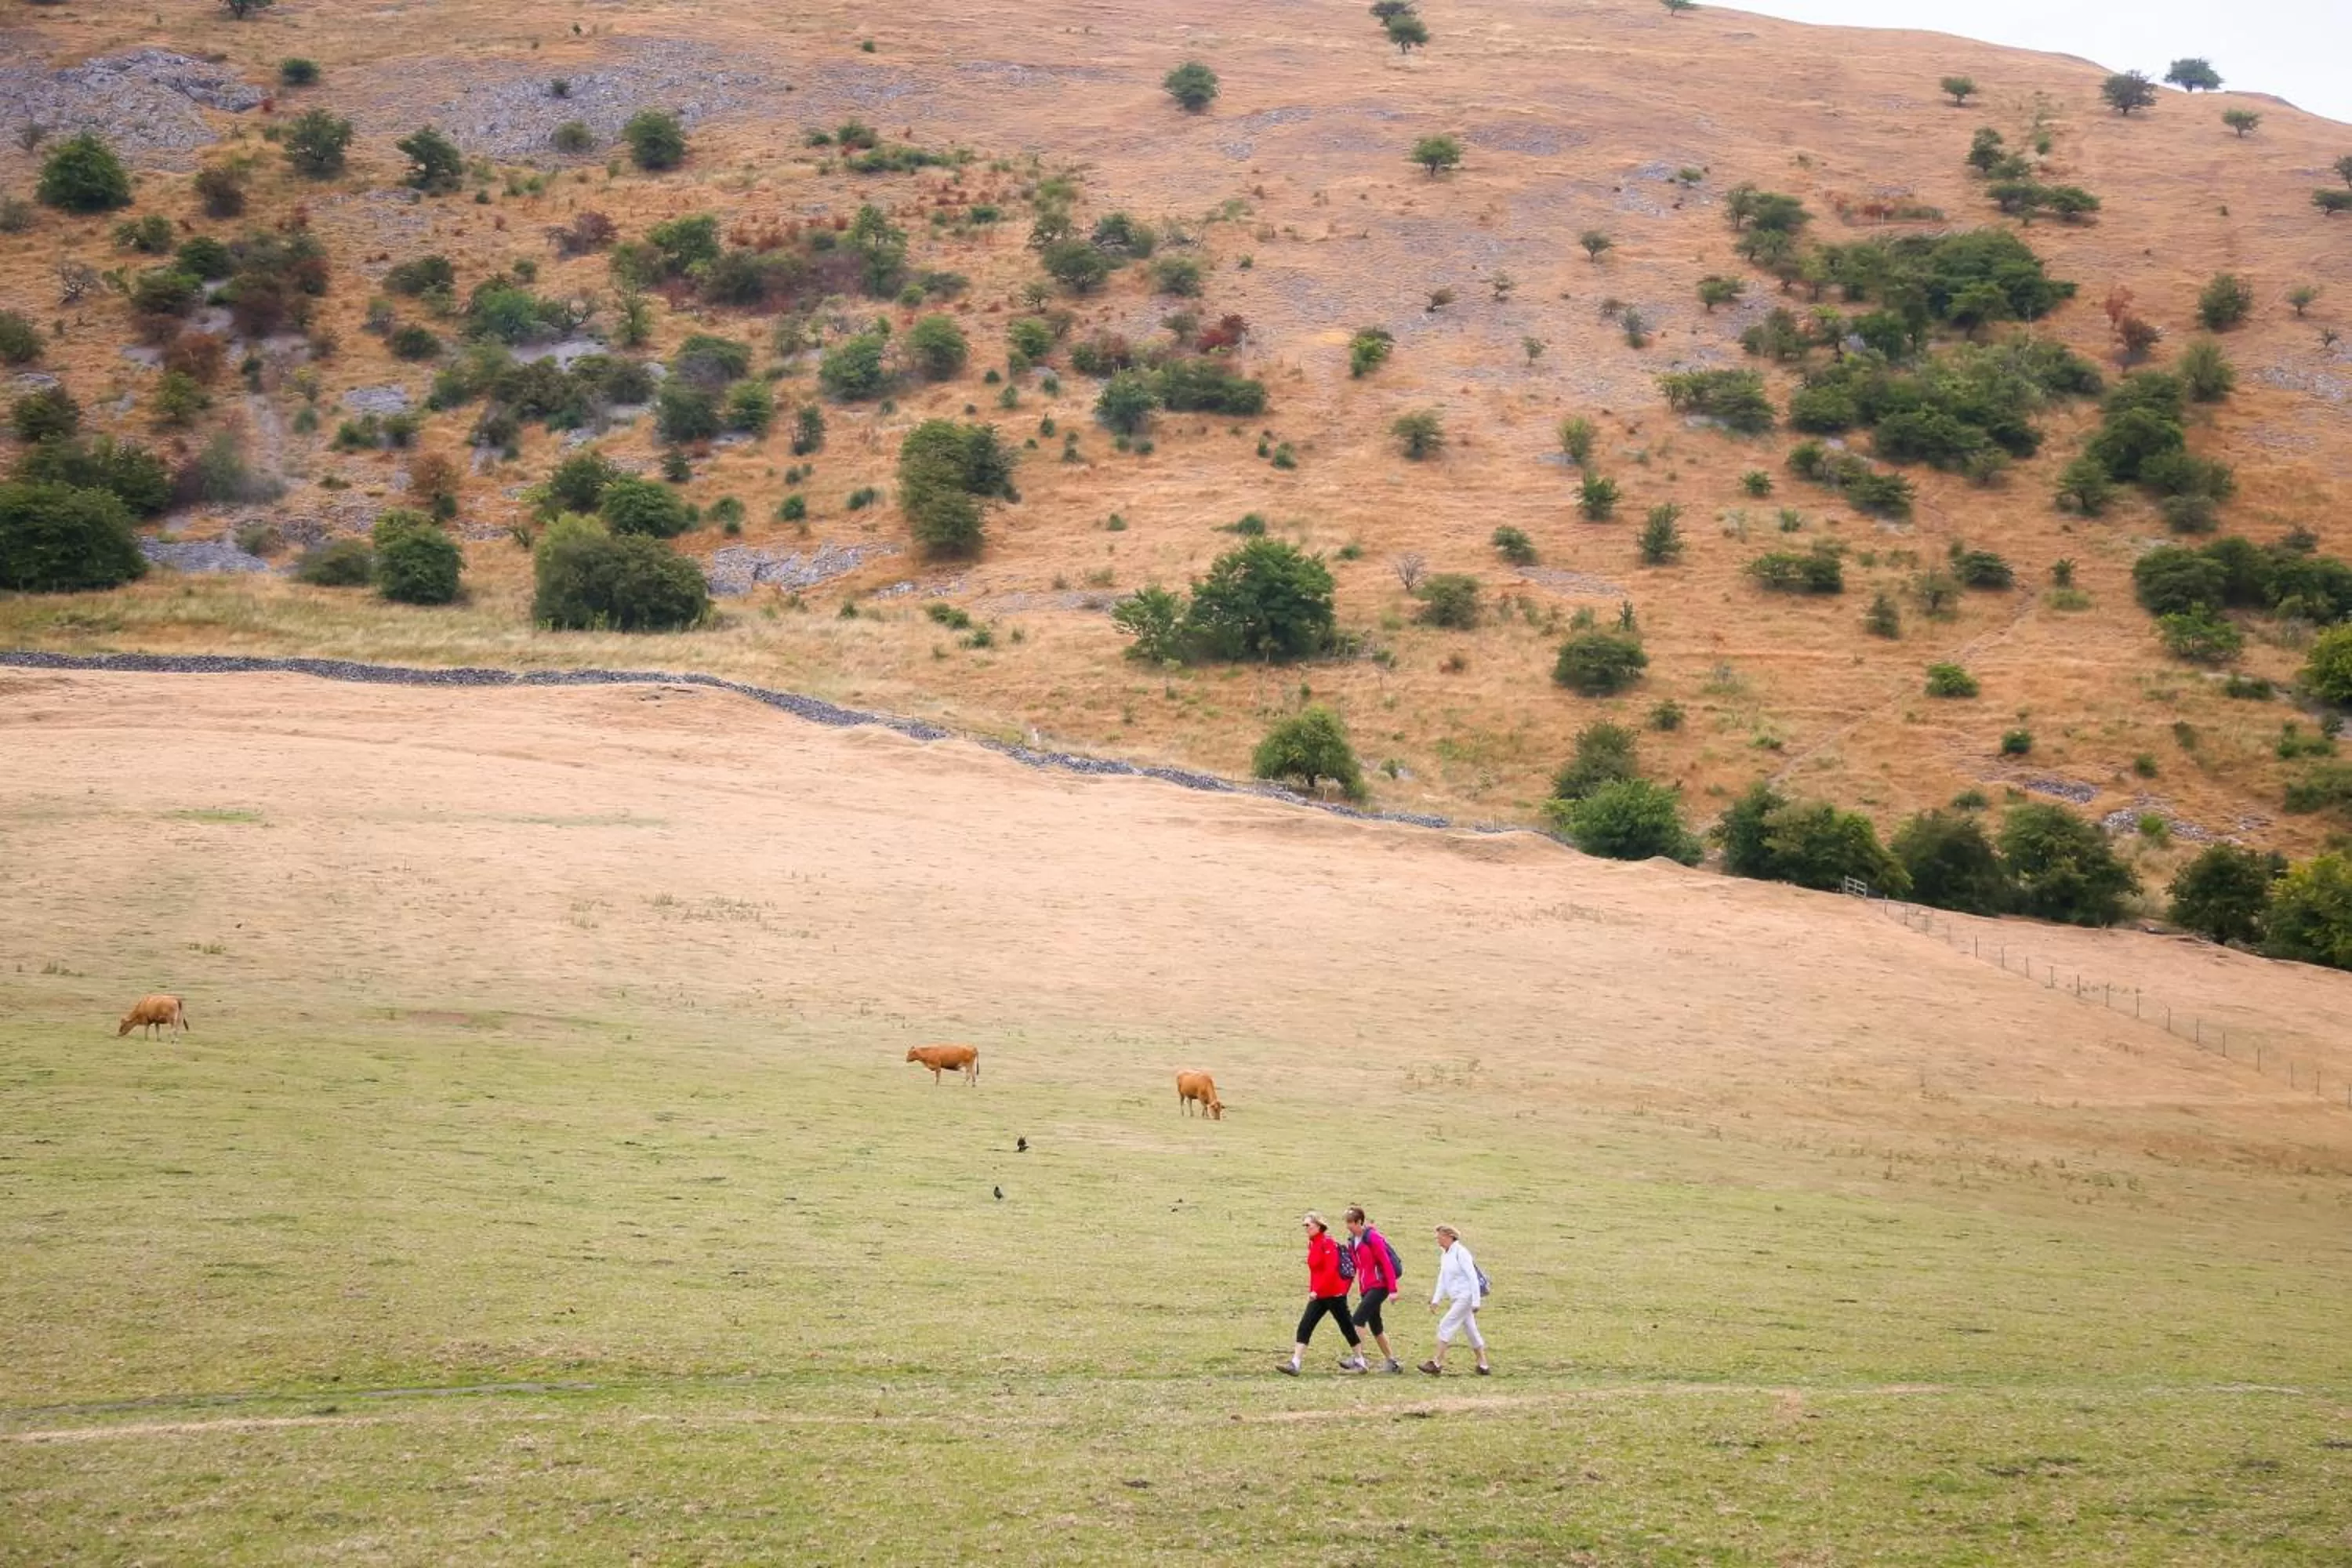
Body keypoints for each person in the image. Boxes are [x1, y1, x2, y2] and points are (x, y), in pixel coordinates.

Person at [1278, 1212, 1363, 1375]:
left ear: (1318, 1226)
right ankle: (1295, 1363)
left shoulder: (1327, 1243)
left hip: (1334, 1294)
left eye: (1308, 1225)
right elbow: (1315, 1272)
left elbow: (1331, 1270)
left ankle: (1360, 1361)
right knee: (1305, 1326)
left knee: (1346, 1326)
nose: (1306, 1228)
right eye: (1304, 1225)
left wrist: (1316, 1290)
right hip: (1319, 1295)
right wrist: (1313, 1290)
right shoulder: (1313, 1244)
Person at [1422, 1224, 1489, 1375]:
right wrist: (1436, 1300)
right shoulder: (1445, 1255)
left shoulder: (1461, 1253)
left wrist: (1476, 1301)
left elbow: (1472, 1277)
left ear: (1449, 1237)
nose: (1438, 1240)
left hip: (1466, 1297)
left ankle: (1436, 1363)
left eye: (1440, 1237)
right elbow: (1443, 1278)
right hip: (1457, 1297)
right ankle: (1483, 1365)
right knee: (1471, 1330)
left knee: (1445, 1325)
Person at [1342, 1206, 1403, 1374]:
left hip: (1380, 1285)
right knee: (1376, 1325)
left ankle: (1358, 1360)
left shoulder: (1373, 1238)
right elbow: (1355, 1267)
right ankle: (1392, 1362)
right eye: (1347, 1222)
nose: (1348, 1226)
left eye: (1350, 1222)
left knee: (1358, 1319)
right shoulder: (1352, 1241)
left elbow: (1386, 1263)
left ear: (1359, 1222)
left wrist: (1393, 1289)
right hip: (1366, 1287)